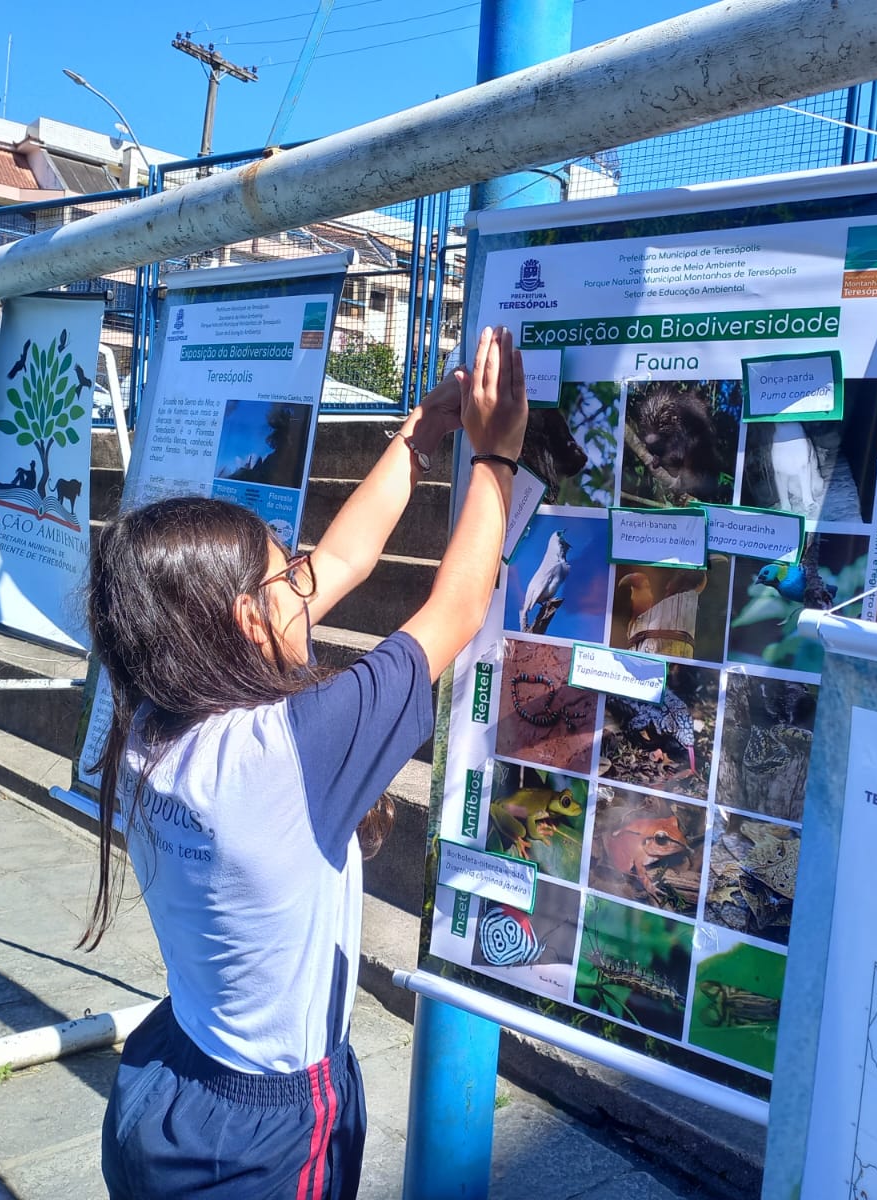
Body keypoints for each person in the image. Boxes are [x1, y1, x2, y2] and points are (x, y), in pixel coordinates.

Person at [84, 326, 528, 1199]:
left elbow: (343, 558)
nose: (308, 579)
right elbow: (461, 603)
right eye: (287, 577)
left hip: (167, 1074)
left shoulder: (146, 720)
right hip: (270, 1131)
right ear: (249, 622)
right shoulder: (290, 747)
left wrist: (420, 437)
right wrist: (498, 455)